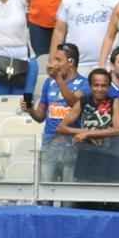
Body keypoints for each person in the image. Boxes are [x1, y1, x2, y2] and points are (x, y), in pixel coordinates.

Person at [28, 43, 88, 183]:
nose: (53, 64)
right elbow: (40, 117)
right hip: (50, 145)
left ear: (70, 62)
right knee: (44, 193)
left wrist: (59, 79)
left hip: (72, 146)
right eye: (53, 60)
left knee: (69, 196)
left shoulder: (84, 84)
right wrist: (30, 109)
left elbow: (73, 102)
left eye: (58, 60)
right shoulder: (49, 83)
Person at [58, 66, 119, 187]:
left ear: (109, 86)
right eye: (96, 85)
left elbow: (118, 129)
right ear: (90, 86)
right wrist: (85, 131)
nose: (99, 89)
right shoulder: (83, 101)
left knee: (112, 202)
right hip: (86, 159)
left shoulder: (115, 102)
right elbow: (61, 128)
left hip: (110, 158)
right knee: (84, 201)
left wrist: (88, 133)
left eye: (104, 85)